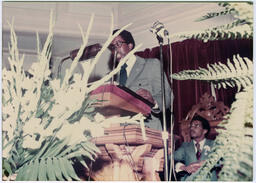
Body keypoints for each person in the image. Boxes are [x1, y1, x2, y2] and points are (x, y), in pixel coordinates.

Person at [109, 29, 173, 131]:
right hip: (120, 133)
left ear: (130, 46)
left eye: (118, 44)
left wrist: (154, 101)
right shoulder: (112, 76)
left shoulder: (150, 65)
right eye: (112, 47)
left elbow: (168, 96)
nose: (115, 50)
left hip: (147, 131)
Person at [173, 115, 218, 181]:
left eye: (196, 125)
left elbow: (221, 159)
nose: (192, 128)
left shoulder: (213, 144)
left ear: (204, 131)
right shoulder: (185, 146)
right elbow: (171, 158)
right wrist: (183, 167)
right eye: (191, 126)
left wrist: (202, 163)